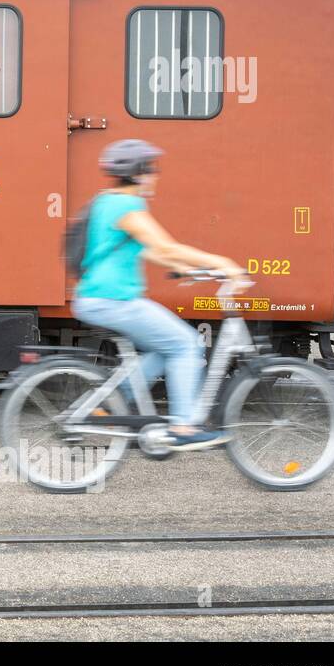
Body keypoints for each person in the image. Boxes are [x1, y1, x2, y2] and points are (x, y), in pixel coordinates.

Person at [71, 139, 247, 450]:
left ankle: (110, 402)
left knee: (164, 348)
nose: (155, 177)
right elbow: (165, 246)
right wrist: (222, 262)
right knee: (186, 344)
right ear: (138, 173)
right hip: (113, 299)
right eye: (151, 170)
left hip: (100, 297)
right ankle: (183, 426)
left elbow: (155, 252)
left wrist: (188, 270)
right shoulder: (127, 207)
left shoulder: (107, 201)